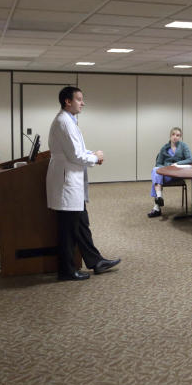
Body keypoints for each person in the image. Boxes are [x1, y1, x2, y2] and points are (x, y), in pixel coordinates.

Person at [46, 86, 120, 281]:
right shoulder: (64, 122)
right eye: (79, 99)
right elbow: (75, 155)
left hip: (70, 179)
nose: (83, 103)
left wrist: (93, 155)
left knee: (81, 224)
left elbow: (79, 150)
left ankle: (96, 262)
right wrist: (95, 158)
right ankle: (66, 271)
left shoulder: (69, 120)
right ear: (67, 101)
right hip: (66, 182)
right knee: (69, 231)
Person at [148, 127, 192, 218]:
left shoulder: (184, 146)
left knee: (156, 177)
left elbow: (190, 159)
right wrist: (166, 169)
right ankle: (159, 199)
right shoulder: (164, 148)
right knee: (156, 170)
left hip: (177, 174)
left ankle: (157, 206)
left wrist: (177, 164)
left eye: (178, 135)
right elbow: (158, 163)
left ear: (180, 137)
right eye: (173, 134)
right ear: (170, 136)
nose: (175, 137)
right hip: (165, 173)